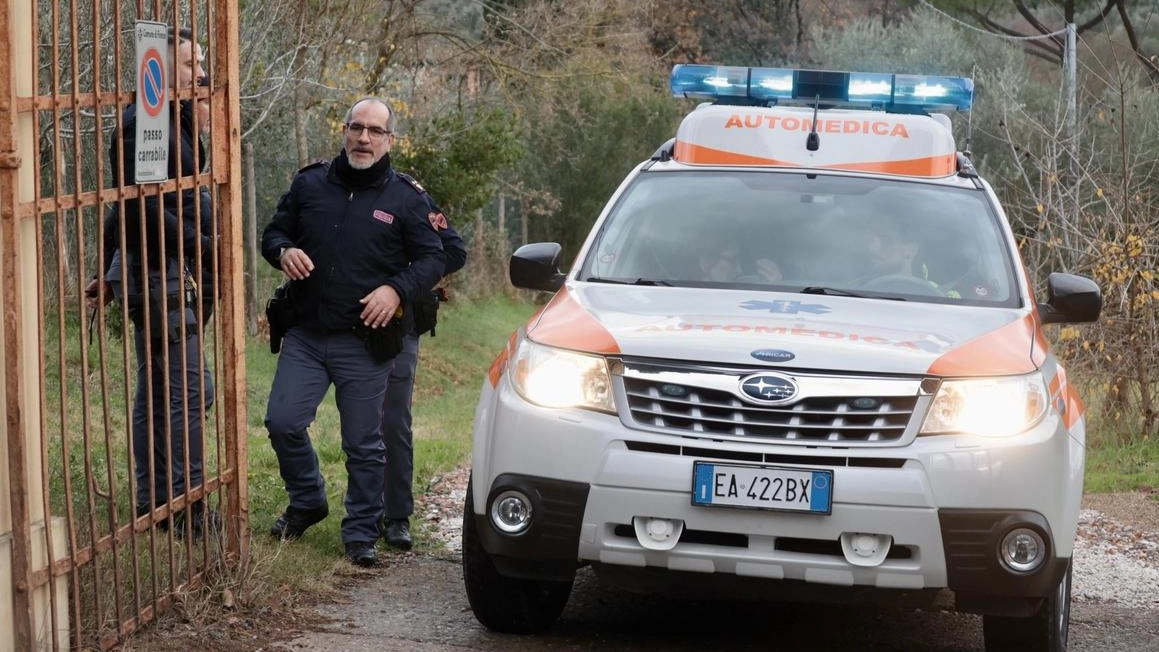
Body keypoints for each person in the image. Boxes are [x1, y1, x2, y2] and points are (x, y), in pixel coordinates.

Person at [260, 97, 445, 567]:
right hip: (306, 332)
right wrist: (282, 252)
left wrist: (397, 292)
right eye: (356, 128)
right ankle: (307, 500)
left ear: (389, 140)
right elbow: (273, 233)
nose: (364, 138)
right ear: (344, 131)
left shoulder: (406, 198)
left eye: (374, 131)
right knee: (282, 421)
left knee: (363, 443)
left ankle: (361, 531)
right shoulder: (310, 184)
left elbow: (434, 258)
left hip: (365, 339)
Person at [86, 27, 218, 538]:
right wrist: (201, 241)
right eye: (189, 65)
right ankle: (185, 506)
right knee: (183, 392)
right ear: (159, 70)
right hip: (159, 273)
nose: (201, 73)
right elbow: (138, 207)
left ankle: (156, 501)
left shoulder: (173, 120)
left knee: (165, 392)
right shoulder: (148, 121)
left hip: (169, 270)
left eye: (199, 62)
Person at [378, 189, 467, 551]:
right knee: (358, 420)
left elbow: (454, 252)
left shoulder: (408, 195)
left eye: (376, 132)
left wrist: (407, 282)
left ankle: (396, 515)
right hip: (345, 322)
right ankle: (364, 512)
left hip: (400, 323)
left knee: (393, 420)